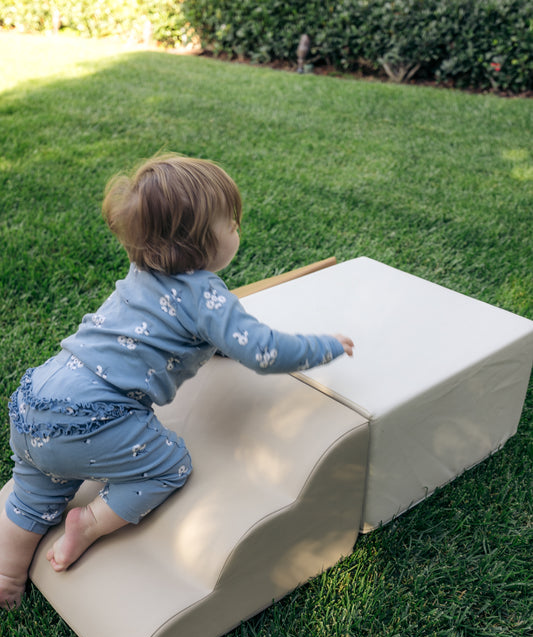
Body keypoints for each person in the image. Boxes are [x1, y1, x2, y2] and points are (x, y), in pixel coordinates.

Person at [0, 153, 354, 609]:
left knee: (31, 499)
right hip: (96, 415)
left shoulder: (140, 274)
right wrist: (322, 345)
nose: (237, 231)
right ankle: (88, 524)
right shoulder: (206, 296)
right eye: (232, 223)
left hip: (38, 397)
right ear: (201, 244)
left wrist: (217, 344)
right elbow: (264, 351)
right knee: (169, 465)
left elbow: (194, 335)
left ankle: (7, 581)